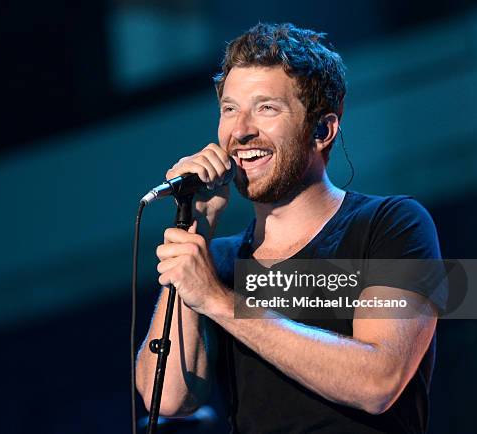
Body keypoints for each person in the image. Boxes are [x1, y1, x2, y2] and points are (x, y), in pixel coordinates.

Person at [135, 23, 443, 433]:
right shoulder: (220, 259)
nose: (240, 130)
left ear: (322, 130)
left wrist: (219, 301)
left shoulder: (393, 225)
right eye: (230, 109)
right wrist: (197, 231)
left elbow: (379, 381)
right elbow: (170, 397)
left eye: (266, 108)